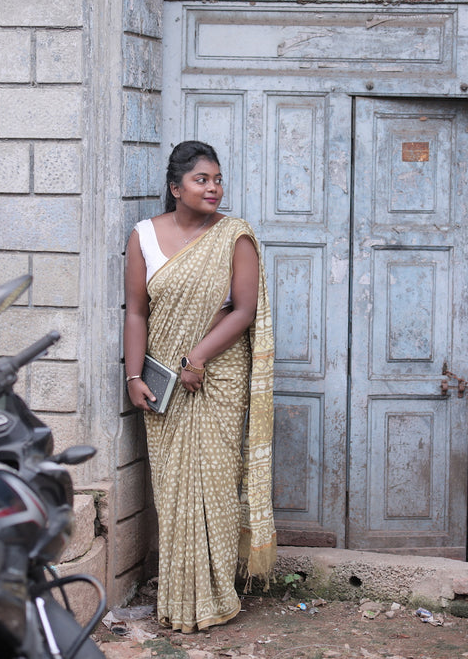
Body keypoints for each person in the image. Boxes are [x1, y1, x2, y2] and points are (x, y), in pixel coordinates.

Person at [123, 140, 277, 633]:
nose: (213, 188)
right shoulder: (143, 235)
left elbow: (245, 311)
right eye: (201, 180)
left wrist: (198, 358)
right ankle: (178, 597)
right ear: (175, 188)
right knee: (172, 491)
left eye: (216, 179)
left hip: (215, 379)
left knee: (213, 484)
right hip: (164, 383)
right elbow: (136, 311)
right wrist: (132, 375)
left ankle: (215, 594)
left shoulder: (235, 236)